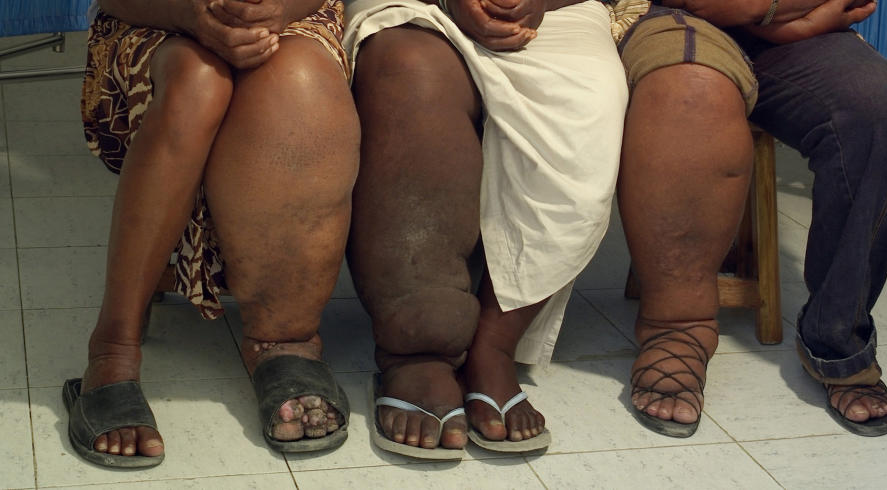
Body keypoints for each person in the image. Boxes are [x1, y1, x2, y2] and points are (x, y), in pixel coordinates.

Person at [64, 0, 359, 467]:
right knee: (196, 83)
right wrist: (191, 15)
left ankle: (283, 338)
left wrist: (278, 11)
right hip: (152, 14)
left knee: (297, 81)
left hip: (294, 12)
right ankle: (113, 347)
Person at [343, 0, 628, 457]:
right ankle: (418, 348)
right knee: (410, 70)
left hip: (556, 9)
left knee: (588, 100)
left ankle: (495, 344)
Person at [613, 0, 887, 437]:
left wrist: (784, 19)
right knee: (693, 87)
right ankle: (676, 327)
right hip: (672, 13)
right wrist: (768, 10)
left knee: (874, 102)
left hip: (799, 25)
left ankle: (838, 339)